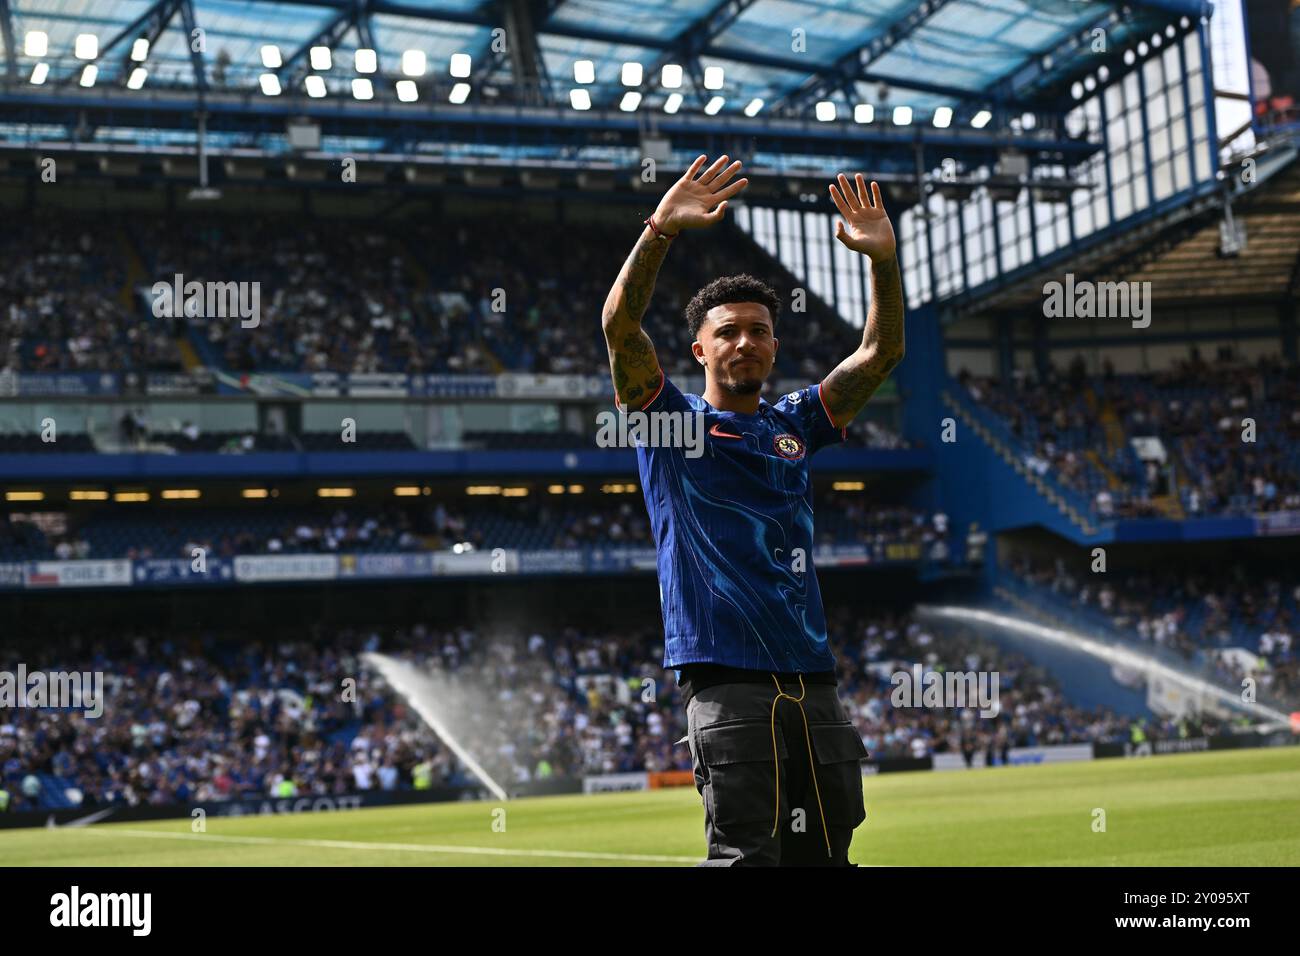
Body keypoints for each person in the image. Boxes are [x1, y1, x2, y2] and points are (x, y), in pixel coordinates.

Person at [601, 155, 904, 865]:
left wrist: (883, 261)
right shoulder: (669, 423)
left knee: (829, 857)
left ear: (775, 343)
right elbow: (619, 330)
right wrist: (658, 232)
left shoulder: (796, 422)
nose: (745, 341)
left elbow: (883, 352)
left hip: (814, 678)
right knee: (746, 859)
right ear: (698, 347)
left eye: (759, 330)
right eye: (728, 331)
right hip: (727, 679)